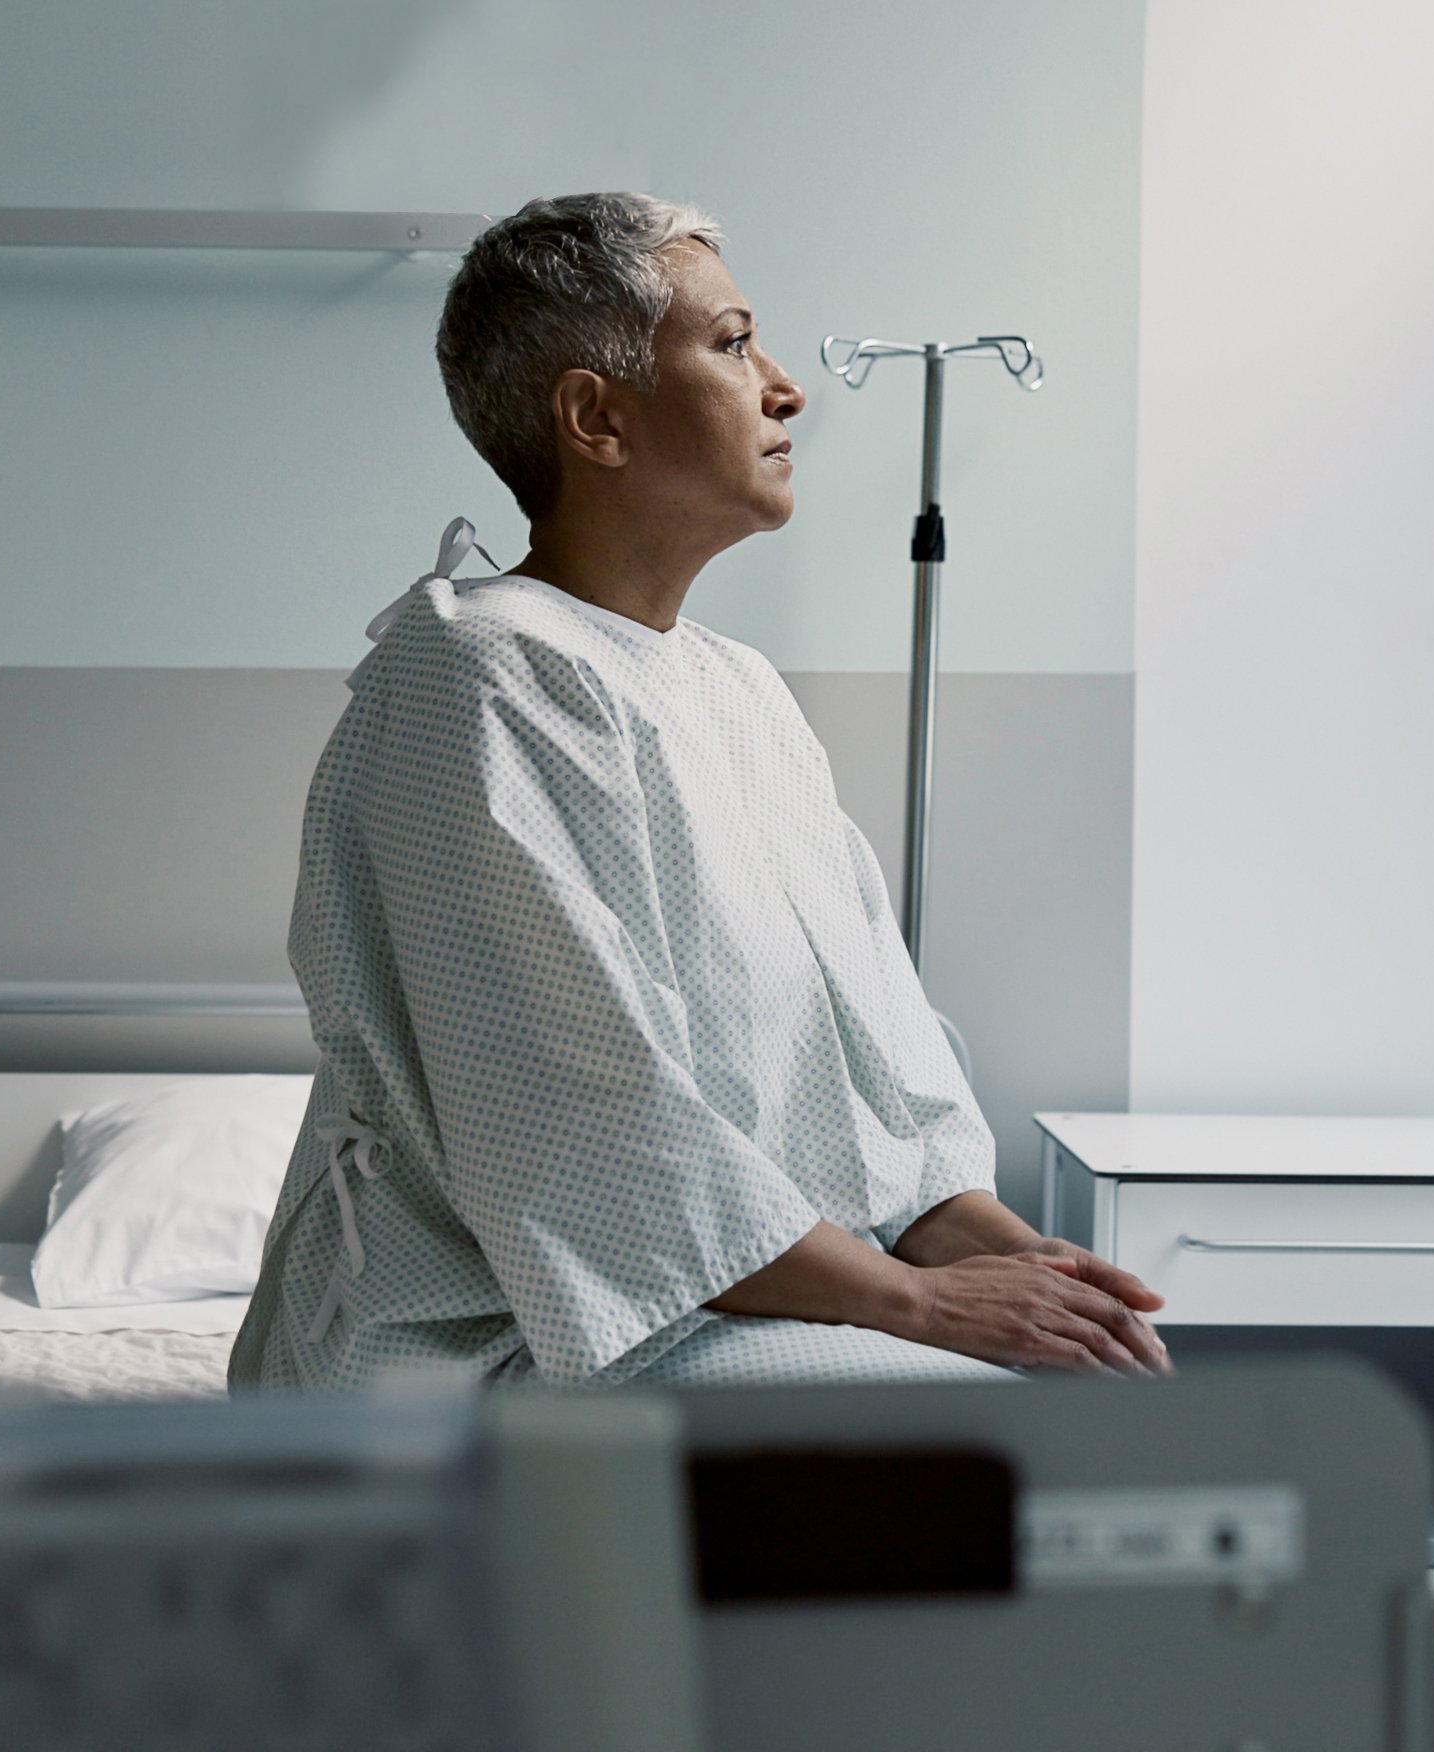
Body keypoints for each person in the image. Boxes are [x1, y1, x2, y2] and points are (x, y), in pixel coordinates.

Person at [230, 193, 1170, 1390]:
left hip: (753, 1292)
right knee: (1003, 1450)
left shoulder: (739, 691)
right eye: (731, 345)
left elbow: (890, 1072)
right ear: (596, 420)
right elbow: (590, 1127)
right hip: (512, 1334)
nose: (787, 388)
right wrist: (913, 1302)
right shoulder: (476, 679)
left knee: (1117, 1402)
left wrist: (1038, 1276)